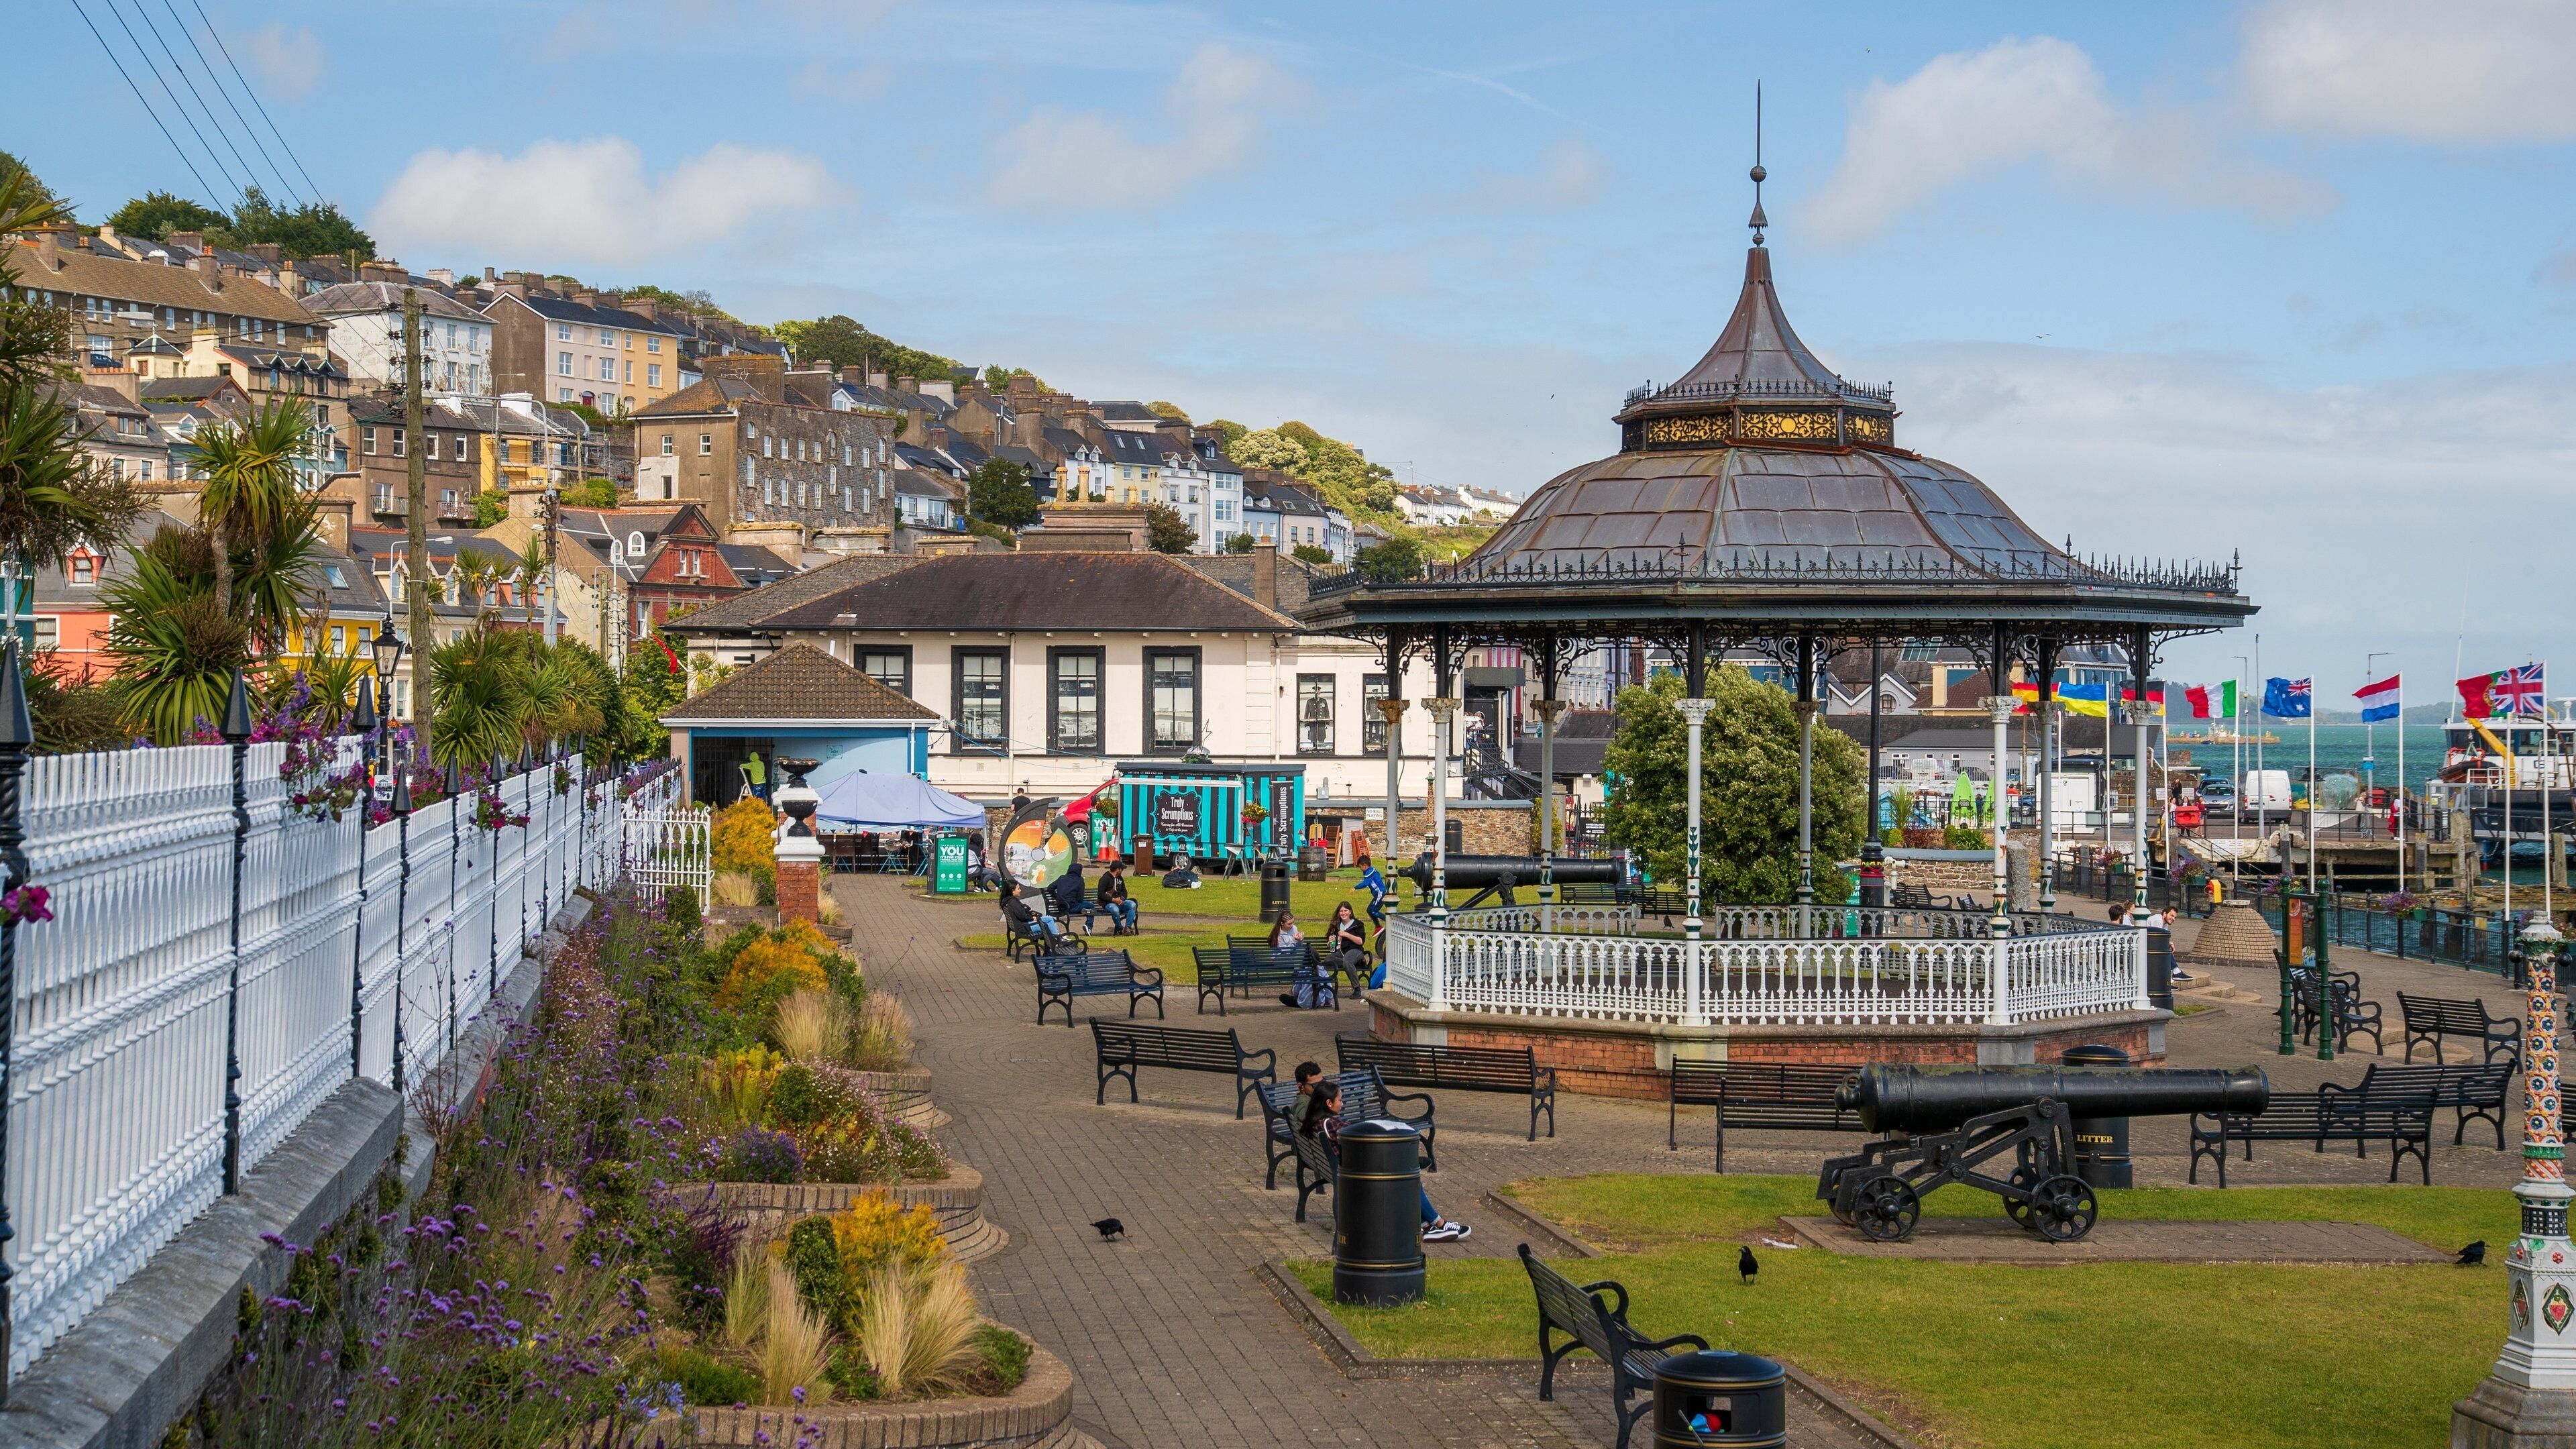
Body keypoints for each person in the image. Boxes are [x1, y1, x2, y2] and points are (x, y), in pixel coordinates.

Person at [1300, 1080, 1466, 1242]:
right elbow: (1359, 1137)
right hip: (1355, 1174)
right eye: (1340, 1100)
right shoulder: (1331, 1124)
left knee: (1408, 1171)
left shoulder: (1316, 1122)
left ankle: (1427, 1226)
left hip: (1344, 1168)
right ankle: (1439, 1223)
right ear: (1329, 1103)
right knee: (1409, 1177)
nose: (1342, 1104)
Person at [1001, 880, 1065, 949]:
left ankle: (1058, 939)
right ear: (1012, 891)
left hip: (1022, 925)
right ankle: (1057, 942)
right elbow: (1023, 917)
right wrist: (1032, 918)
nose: (1020, 890)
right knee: (1048, 925)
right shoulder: (1013, 903)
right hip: (1025, 927)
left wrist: (1031, 916)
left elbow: (1022, 914)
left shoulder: (1008, 901)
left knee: (1050, 919)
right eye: (1018, 889)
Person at [1323, 902, 1369, 995]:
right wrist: (1330, 942)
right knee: (1328, 959)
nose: (1343, 913)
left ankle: (1357, 989)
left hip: (1355, 950)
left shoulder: (1358, 924)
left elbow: (1360, 941)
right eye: (1341, 911)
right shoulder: (1336, 925)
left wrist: (1347, 934)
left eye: (1345, 911)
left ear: (1350, 912)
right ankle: (1358, 962)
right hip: (1339, 953)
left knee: (1348, 961)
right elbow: (1330, 946)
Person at [1090, 863, 1137, 934]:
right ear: (1118, 870)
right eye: (1122, 869)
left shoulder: (1120, 879)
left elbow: (1125, 892)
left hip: (1120, 902)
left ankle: (1128, 927)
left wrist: (1121, 899)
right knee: (1115, 909)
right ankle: (1119, 928)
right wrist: (1114, 900)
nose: (1122, 871)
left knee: (1132, 905)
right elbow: (1101, 894)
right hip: (1108, 903)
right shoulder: (1105, 879)